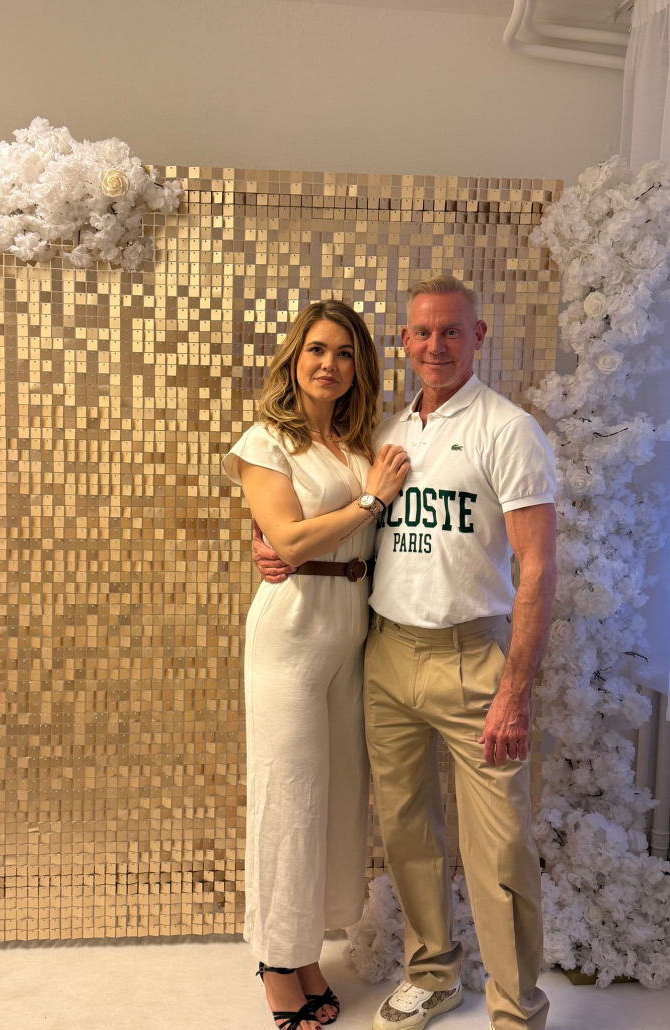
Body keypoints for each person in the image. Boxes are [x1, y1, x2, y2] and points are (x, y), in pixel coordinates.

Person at [252, 276, 558, 1030]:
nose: (435, 345)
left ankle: (517, 1009)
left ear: (477, 336)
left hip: (471, 657)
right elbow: (331, 518)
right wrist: (271, 545)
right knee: (407, 832)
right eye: (421, 332)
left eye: (451, 331)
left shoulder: (508, 429)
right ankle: (432, 974)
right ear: (403, 342)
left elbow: (538, 567)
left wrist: (516, 690)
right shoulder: (386, 434)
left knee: (500, 848)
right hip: (384, 655)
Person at [222, 299, 411, 1030]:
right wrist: (370, 500)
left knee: (333, 798)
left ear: (359, 367)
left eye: (344, 352)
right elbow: (291, 542)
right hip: (293, 630)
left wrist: (366, 497)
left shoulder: (359, 442)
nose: (329, 363)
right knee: (288, 797)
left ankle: (304, 953)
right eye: (317, 349)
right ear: (294, 359)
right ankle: (275, 964)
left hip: (350, 634)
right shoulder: (267, 441)